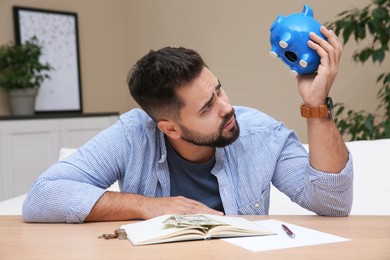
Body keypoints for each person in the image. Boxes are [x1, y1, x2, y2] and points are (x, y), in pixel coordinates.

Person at [23, 26, 352, 223]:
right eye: (208, 107)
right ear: (169, 128)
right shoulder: (133, 134)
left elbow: (332, 204)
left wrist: (316, 105)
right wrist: (149, 206)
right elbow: (41, 197)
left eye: (219, 89)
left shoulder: (260, 133)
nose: (226, 108)